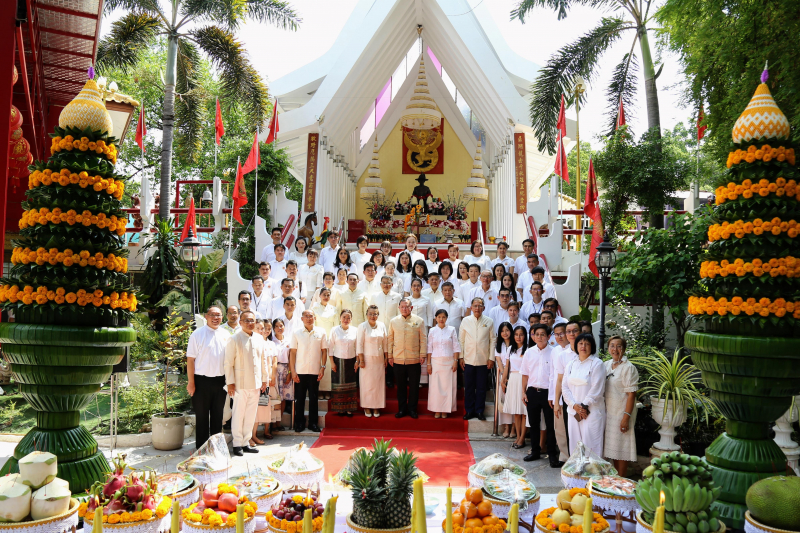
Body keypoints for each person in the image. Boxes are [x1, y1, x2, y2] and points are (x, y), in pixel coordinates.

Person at [224, 310, 268, 456]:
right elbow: (228, 363)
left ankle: (246, 442)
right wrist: (230, 382)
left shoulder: (259, 338)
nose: (250, 323)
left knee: (250, 414)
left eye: (252, 320)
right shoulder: (234, 339)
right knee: (238, 414)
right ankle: (237, 444)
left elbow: (263, 360)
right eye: (247, 320)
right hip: (239, 384)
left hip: (256, 383)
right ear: (240, 322)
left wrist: (264, 379)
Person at [187, 306, 231, 449]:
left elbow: (230, 360)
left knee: (218, 416)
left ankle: (216, 449)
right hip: (201, 381)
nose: (215, 318)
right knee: (202, 416)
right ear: (206, 316)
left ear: (222, 317)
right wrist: (191, 383)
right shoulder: (197, 334)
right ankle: (201, 449)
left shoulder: (226, 335)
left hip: (220, 381)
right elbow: (190, 360)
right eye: (212, 315)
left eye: (218, 315)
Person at [521, 324, 562, 466]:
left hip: (548, 393)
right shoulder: (529, 352)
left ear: (548, 336)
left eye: (542, 334)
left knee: (550, 425)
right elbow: (525, 374)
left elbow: (557, 375)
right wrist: (523, 392)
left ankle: (552, 455)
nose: (539, 337)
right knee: (534, 424)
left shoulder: (554, 352)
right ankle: (535, 451)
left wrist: (554, 396)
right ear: (533, 336)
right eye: (536, 334)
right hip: (532, 391)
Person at [562, 332, 606, 456]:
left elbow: (597, 388)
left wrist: (584, 406)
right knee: (575, 445)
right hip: (573, 411)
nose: (583, 346)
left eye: (587, 344)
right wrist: (573, 405)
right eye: (580, 343)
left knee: (591, 446)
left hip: (591, 412)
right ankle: (577, 468)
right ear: (576, 346)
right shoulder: (571, 364)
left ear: (592, 346)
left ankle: (592, 469)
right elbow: (565, 387)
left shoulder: (597, 363)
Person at [604, 335, 639, 475]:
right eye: (612, 346)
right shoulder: (606, 365)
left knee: (622, 448)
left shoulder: (628, 368)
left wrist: (626, 417)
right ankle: (615, 479)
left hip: (622, 412)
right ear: (608, 348)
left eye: (619, 346)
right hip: (608, 413)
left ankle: (621, 479)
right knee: (613, 448)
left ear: (624, 349)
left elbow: (632, 394)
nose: (615, 349)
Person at [289, 310, 328, 433]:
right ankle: (299, 423)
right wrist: (292, 371)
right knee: (300, 398)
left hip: (315, 370)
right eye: (306, 316)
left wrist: (322, 367)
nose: (308, 318)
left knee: (313, 398)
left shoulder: (321, 332)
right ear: (302, 318)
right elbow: (293, 352)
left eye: (311, 316)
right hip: (300, 370)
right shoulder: (296, 333)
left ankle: (313, 423)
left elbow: (324, 351)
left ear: (314, 318)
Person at [388, 298, 427, 419]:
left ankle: (412, 410)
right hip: (398, 358)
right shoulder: (393, 321)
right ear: (399, 308)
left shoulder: (419, 321)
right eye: (402, 307)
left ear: (412, 308)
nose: (404, 309)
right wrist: (390, 355)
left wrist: (422, 354)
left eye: (407, 307)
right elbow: (390, 339)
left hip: (414, 358)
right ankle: (402, 410)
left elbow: (423, 339)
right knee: (401, 387)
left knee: (414, 386)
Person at [459, 298, 496, 421]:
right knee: (469, 387)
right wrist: (461, 357)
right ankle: (469, 410)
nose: (477, 308)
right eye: (475, 306)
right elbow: (461, 340)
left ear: (483, 308)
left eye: (480, 306)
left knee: (481, 387)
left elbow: (493, 340)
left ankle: (480, 411)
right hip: (468, 359)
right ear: (471, 307)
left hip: (483, 360)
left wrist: (491, 358)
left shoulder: (489, 321)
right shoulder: (465, 321)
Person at [553, 320, 580, 457]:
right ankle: (571, 461)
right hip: (568, 399)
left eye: (575, 331)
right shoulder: (562, 355)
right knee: (570, 432)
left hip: (584, 398)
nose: (571, 334)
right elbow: (559, 380)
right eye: (569, 331)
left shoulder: (586, 350)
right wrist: (556, 402)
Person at [426, 309, 460, 418]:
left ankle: (445, 410)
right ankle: (437, 409)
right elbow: (429, 348)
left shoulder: (452, 330)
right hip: (435, 362)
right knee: (435, 387)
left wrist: (455, 361)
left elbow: (456, 346)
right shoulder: (432, 331)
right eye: (439, 317)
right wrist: (428, 364)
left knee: (447, 387)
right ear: (436, 318)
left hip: (449, 361)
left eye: (443, 317)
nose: (441, 319)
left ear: (446, 318)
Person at [357, 305, 389, 417]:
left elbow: (385, 343)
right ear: (367, 314)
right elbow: (359, 344)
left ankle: (376, 407)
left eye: (375, 314)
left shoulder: (382, 325)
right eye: (370, 314)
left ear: (378, 315)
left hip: (379, 360)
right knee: (367, 384)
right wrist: (361, 360)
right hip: (366, 360)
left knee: (378, 384)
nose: (372, 316)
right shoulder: (362, 326)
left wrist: (386, 357)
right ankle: (366, 407)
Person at [328, 309, 359, 416]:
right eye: (344, 317)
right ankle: (340, 408)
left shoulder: (355, 330)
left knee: (350, 385)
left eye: (348, 317)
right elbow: (330, 347)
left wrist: (357, 361)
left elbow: (358, 347)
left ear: (351, 319)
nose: (346, 319)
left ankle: (349, 408)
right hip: (338, 360)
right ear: (340, 318)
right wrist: (332, 363)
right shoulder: (334, 330)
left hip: (351, 361)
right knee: (339, 385)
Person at [251, 320, 277, 443]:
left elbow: (270, 362)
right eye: (259, 328)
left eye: (264, 329)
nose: (262, 331)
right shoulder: (251, 341)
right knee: (253, 410)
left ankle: (258, 434)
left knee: (263, 406)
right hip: (252, 380)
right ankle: (251, 436)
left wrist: (268, 378)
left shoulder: (268, 343)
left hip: (264, 380)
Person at [503, 325, 528, 447]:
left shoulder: (528, 349)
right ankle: (518, 437)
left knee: (524, 412)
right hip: (513, 379)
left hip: (524, 379)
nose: (518, 337)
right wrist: (503, 379)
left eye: (521, 334)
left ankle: (522, 438)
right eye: (516, 334)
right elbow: (507, 366)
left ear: (525, 336)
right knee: (516, 412)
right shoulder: (510, 349)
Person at [312, 288, 338, 399]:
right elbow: (313, 325)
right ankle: (319, 390)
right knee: (319, 364)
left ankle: (327, 390)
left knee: (328, 364)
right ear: (320, 295)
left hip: (330, 339)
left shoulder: (334, 309)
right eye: (324, 295)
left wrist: (333, 340)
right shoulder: (314, 308)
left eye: (328, 295)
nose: (326, 297)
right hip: (318, 339)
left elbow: (336, 326)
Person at [494, 322, 516, 439]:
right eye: (502, 331)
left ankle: (514, 427)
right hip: (502, 375)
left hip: (514, 375)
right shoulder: (499, 345)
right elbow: (499, 361)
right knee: (504, 401)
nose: (505, 333)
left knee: (514, 402)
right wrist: (504, 376)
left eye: (507, 330)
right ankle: (507, 427)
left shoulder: (516, 344)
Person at [271, 318, 292, 432]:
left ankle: (279, 422)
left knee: (283, 398)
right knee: (275, 397)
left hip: (285, 370)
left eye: (281, 326)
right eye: (277, 326)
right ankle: (272, 422)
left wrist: (289, 373)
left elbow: (290, 358)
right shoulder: (271, 341)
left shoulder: (288, 341)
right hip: (274, 370)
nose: (279, 328)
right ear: (273, 328)